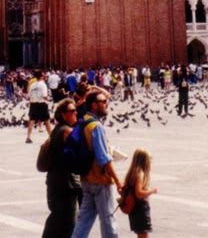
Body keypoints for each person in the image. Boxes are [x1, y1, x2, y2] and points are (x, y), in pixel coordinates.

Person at [71, 90, 122, 238]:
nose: (106, 104)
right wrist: (118, 181)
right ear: (94, 105)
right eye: (103, 102)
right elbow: (103, 158)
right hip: (100, 180)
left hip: (86, 179)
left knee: (84, 220)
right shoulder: (96, 126)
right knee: (108, 219)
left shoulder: (82, 121)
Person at [42, 97, 82, 238]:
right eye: (72, 111)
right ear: (63, 114)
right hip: (66, 183)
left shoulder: (56, 130)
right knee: (68, 222)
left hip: (54, 181)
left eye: (75, 110)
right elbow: (78, 153)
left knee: (56, 219)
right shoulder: (67, 131)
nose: (75, 113)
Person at [122, 149, 157, 237]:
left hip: (134, 210)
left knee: (140, 234)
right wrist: (151, 191)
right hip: (140, 209)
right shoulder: (140, 173)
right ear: (144, 162)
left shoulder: (132, 173)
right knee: (144, 235)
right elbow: (139, 193)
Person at [26, 70, 52, 143]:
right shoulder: (43, 84)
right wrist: (49, 99)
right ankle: (51, 136)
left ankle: (28, 137)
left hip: (33, 104)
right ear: (41, 76)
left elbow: (29, 95)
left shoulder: (32, 85)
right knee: (46, 120)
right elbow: (44, 96)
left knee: (32, 120)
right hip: (42, 104)